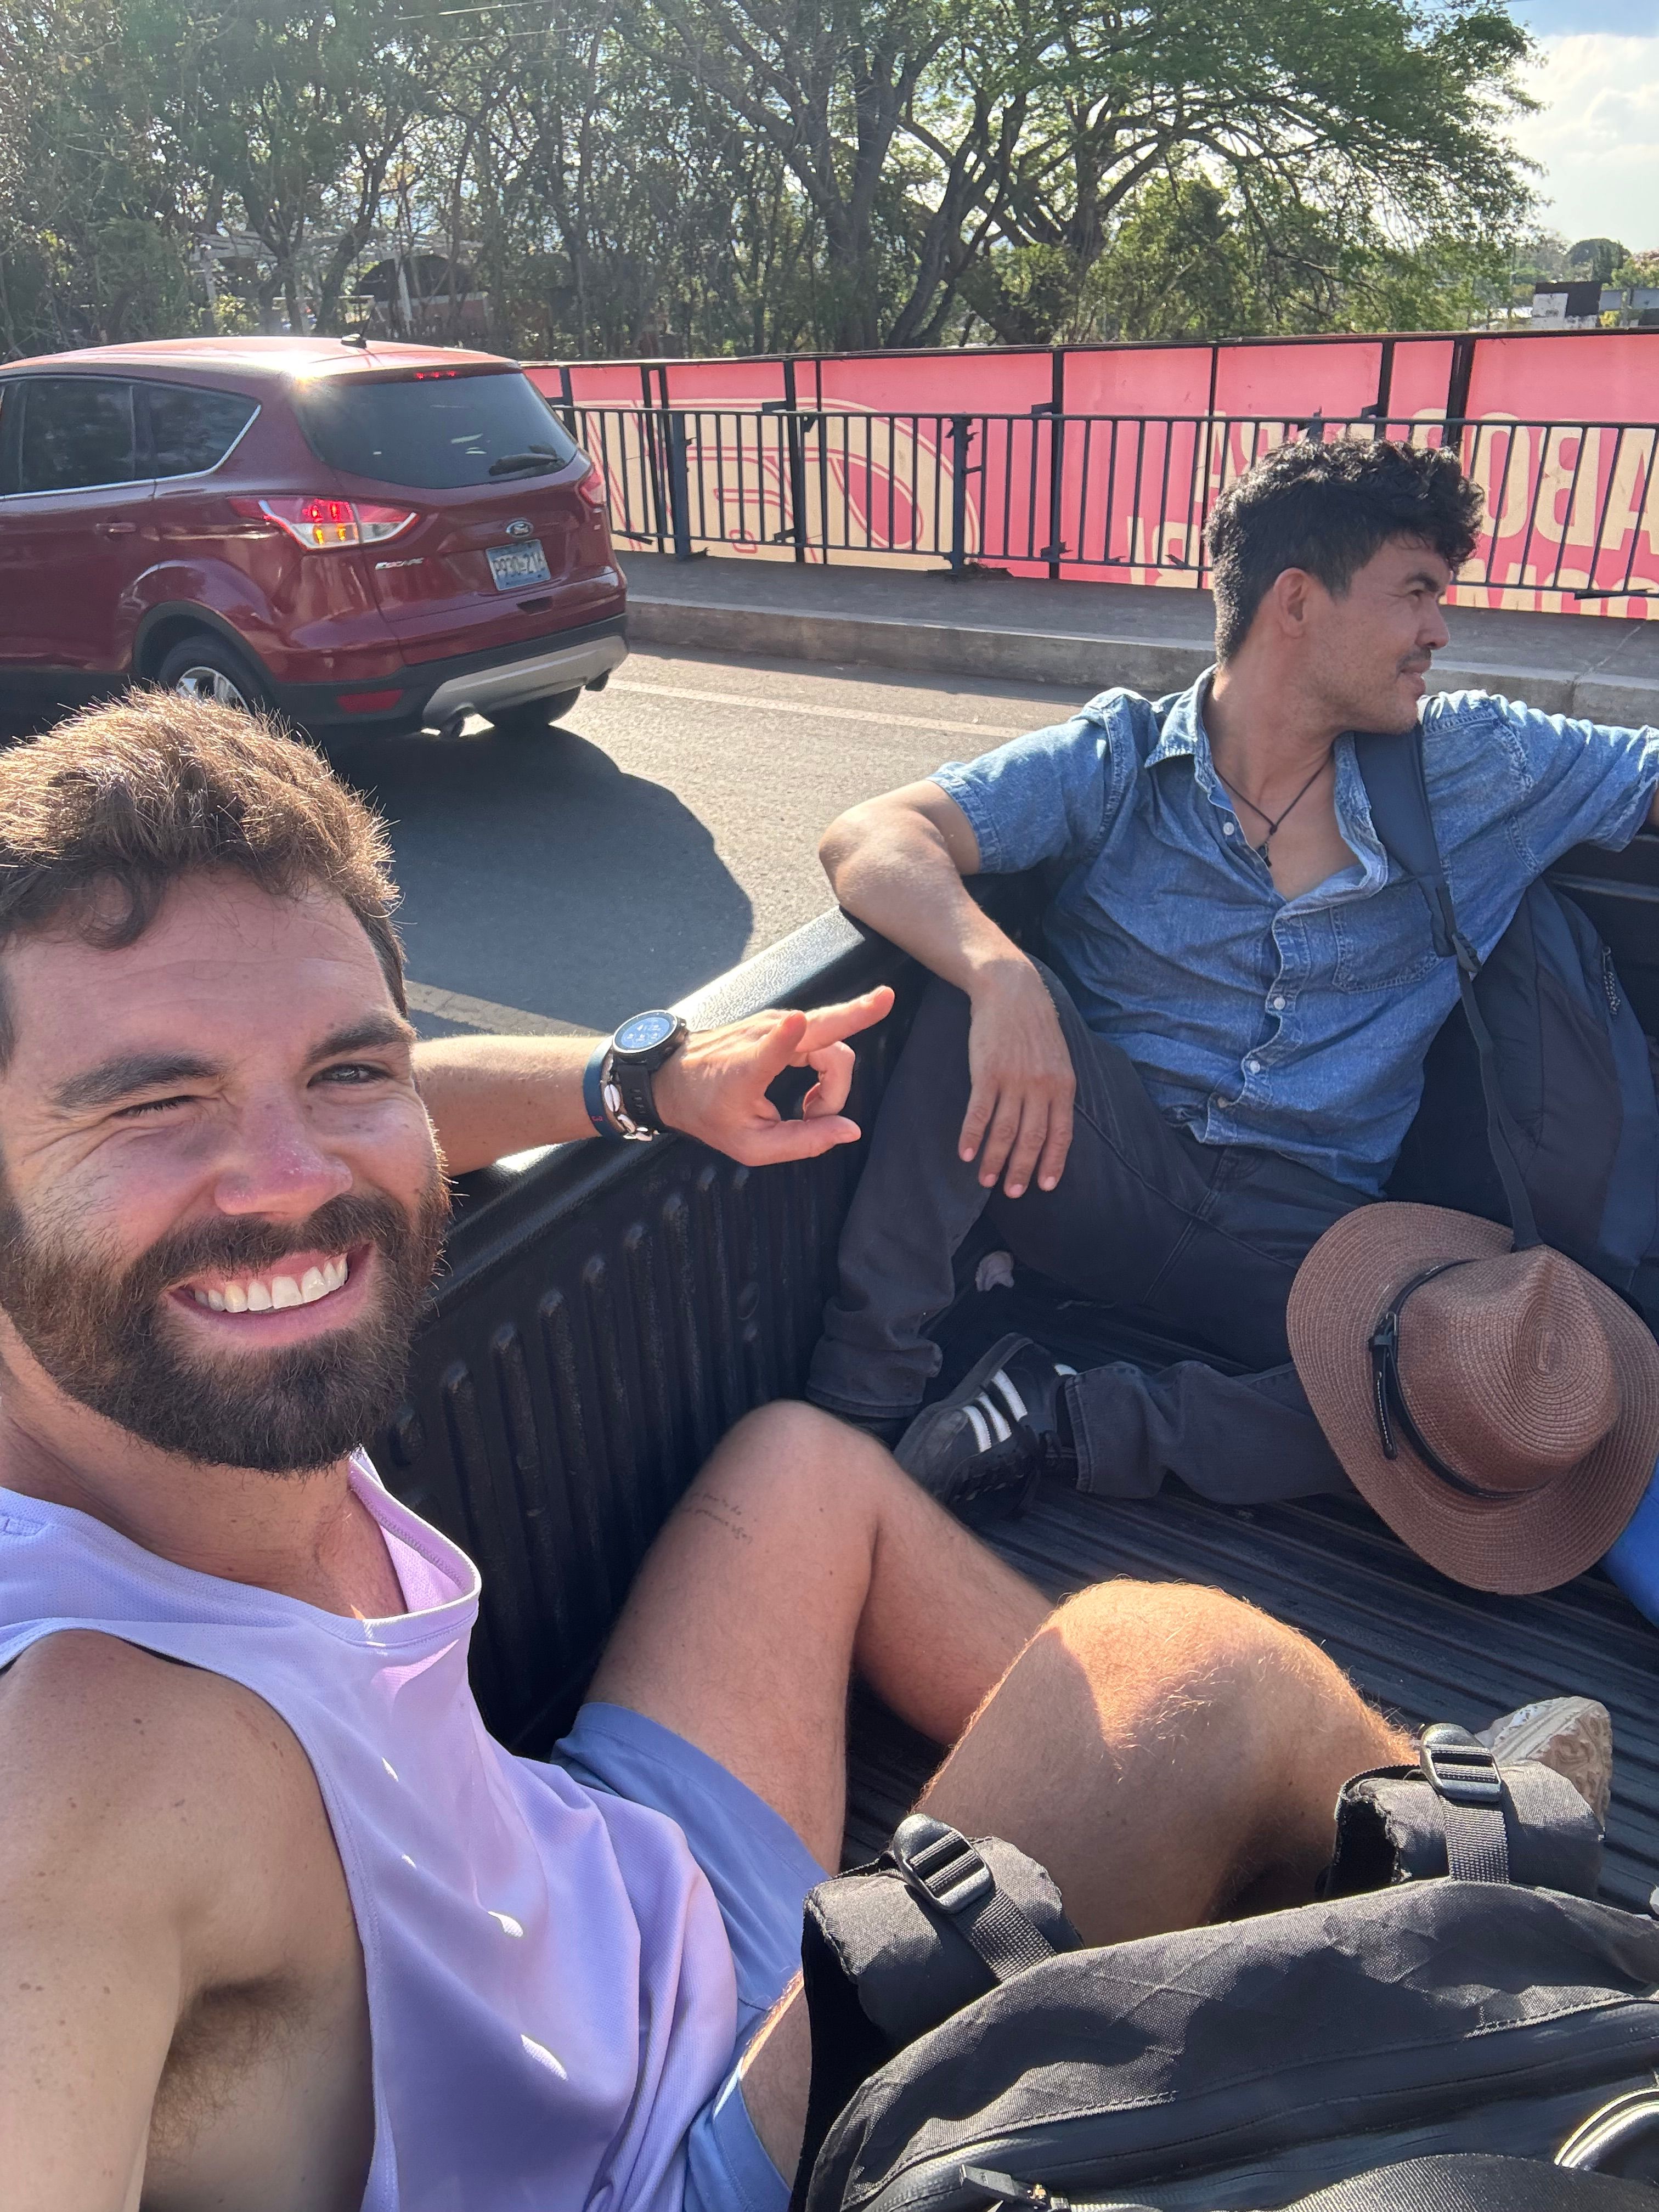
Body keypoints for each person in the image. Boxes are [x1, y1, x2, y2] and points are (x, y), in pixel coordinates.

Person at [0, 695, 1585, 2212]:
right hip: (667, 2160)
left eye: (341, 1070)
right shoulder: (79, 1771)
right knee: (1187, 1674)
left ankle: (1240, 1826)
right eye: (151, 1104)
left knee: (803, 1467)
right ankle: (1482, 1898)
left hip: (611, 1889)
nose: (290, 1181)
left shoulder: (160, 1351)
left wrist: (637, 1079)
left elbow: (395, 1099)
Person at [804, 436, 1659, 1509]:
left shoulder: (1482, 762)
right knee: (970, 992)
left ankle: (1070, 1424)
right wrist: (1000, 976)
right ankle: (859, 1411)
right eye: (1415, 592)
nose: (1440, 630)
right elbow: (871, 836)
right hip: (1097, 1174)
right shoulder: (1119, 756)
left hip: (1309, 1245)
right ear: (1296, 601)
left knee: (1492, 1399)